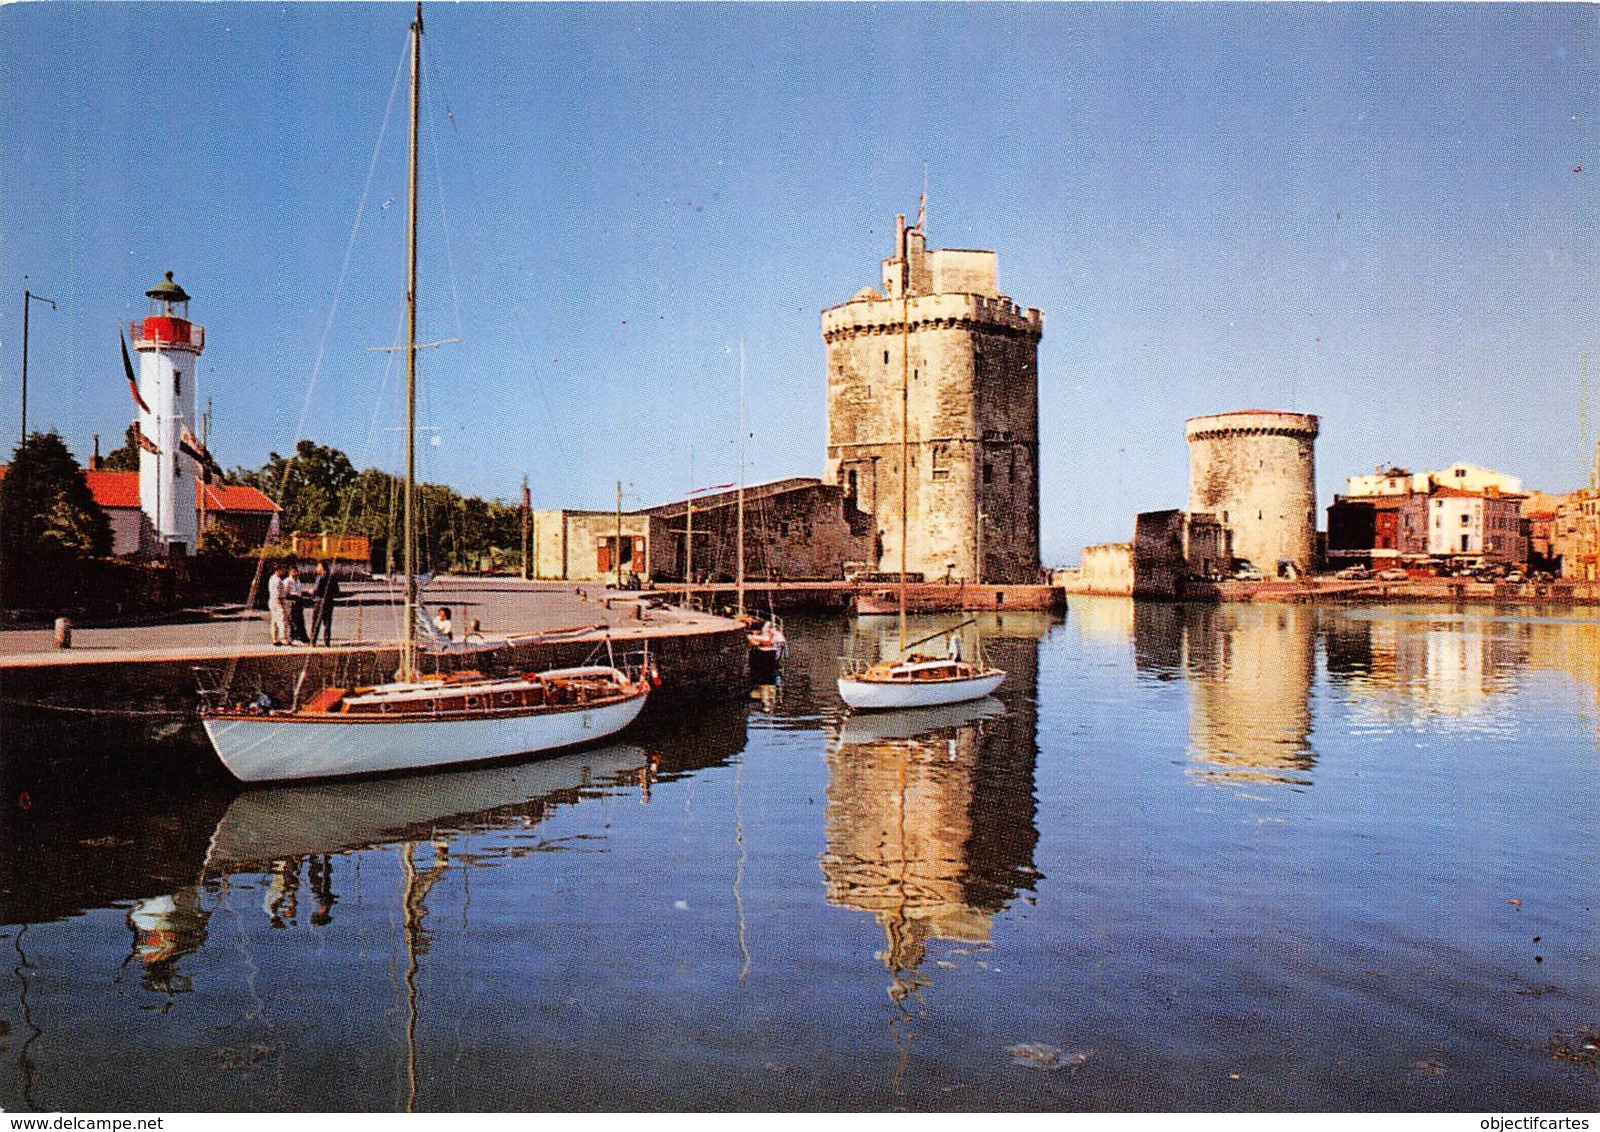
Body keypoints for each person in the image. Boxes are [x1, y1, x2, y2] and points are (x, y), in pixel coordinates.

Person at [311, 560, 341, 646]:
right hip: (329, 601)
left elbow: (316, 589)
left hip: (319, 601)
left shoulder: (320, 577)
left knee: (316, 621)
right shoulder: (332, 577)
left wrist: (312, 591)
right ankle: (327, 641)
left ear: (321, 567)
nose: (317, 568)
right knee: (327, 622)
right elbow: (337, 590)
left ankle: (313, 641)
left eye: (318, 566)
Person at [285, 563, 310, 644]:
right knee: (292, 621)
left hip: (298, 602)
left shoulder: (298, 581)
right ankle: (293, 638)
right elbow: (285, 593)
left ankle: (300, 637)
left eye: (296, 571)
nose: (296, 573)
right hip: (291, 602)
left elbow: (300, 592)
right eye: (294, 571)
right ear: (290, 572)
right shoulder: (287, 581)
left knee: (300, 620)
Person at [266, 564, 289, 645]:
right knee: (281, 620)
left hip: (272, 601)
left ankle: (275, 638)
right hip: (277, 601)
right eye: (281, 569)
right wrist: (280, 605)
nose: (283, 571)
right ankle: (283, 638)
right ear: (277, 570)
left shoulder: (272, 578)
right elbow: (277, 594)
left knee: (274, 621)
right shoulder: (277, 580)